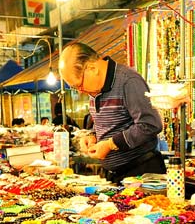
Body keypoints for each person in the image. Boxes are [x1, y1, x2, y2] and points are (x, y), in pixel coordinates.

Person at [59, 42, 165, 182]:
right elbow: (110, 125)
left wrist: (110, 144)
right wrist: (93, 137)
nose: (80, 91)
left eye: (79, 85)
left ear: (92, 68)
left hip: (141, 172)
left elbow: (150, 124)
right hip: (115, 174)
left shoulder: (128, 81)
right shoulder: (94, 89)